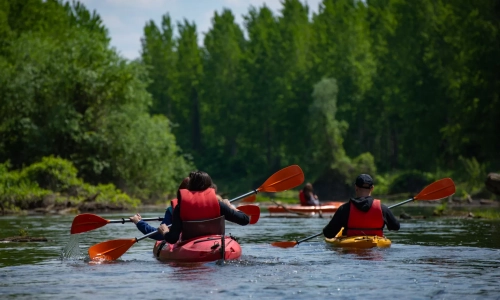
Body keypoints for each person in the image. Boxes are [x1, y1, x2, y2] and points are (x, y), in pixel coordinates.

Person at [158, 171, 250, 244]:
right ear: (209, 186)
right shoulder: (218, 205)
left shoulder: (180, 207)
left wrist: (165, 232)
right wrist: (230, 206)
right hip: (216, 243)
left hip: (191, 245)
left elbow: (173, 239)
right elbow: (245, 220)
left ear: (190, 186)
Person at [323, 174, 400, 238]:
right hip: (376, 250)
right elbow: (396, 227)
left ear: (356, 187)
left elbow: (328, 234)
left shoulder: (345, 209)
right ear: (372, 188)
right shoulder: (382, 208)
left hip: (351, 250)